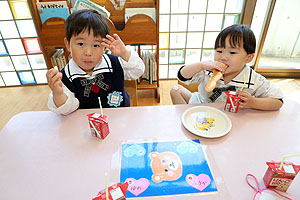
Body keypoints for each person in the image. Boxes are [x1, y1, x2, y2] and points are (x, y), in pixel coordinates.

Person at [46, 9, 145, 115]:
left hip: (120, 120)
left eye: (96, 45)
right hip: (86, 125)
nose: (88, 53)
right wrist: (58, 93)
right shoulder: (65, 77)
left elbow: (138, 71)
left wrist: (124, 53)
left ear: (104, 46)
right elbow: (66, 110)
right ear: (67, 44)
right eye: (80, 44)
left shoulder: (114, 63)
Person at [170, 24, 283, 111]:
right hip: (201, 105)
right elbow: (182, 76)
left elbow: (278, 101)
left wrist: (253, 102)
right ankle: (185, 120)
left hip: (231, 116)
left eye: (232, 52)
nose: (223, 57)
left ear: (248, 58)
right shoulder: (208, 69)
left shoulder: (254, 79)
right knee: (175, 90)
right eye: (219, 51)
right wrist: (201, 65)